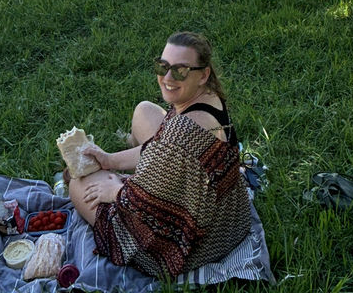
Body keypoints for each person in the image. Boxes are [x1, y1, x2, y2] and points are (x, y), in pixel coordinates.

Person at [68, 31, 252, 279]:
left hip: (195, 244)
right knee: (144, 110)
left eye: (180, 71)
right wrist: (109, 159)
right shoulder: (210, 98)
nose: (167, 77)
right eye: (162, 66)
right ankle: (120, 165)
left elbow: (143, 200)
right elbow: (159, 146)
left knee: (77, 184)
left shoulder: (181, 135)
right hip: (230, 218)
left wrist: (115, 191)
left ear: (203, 74)